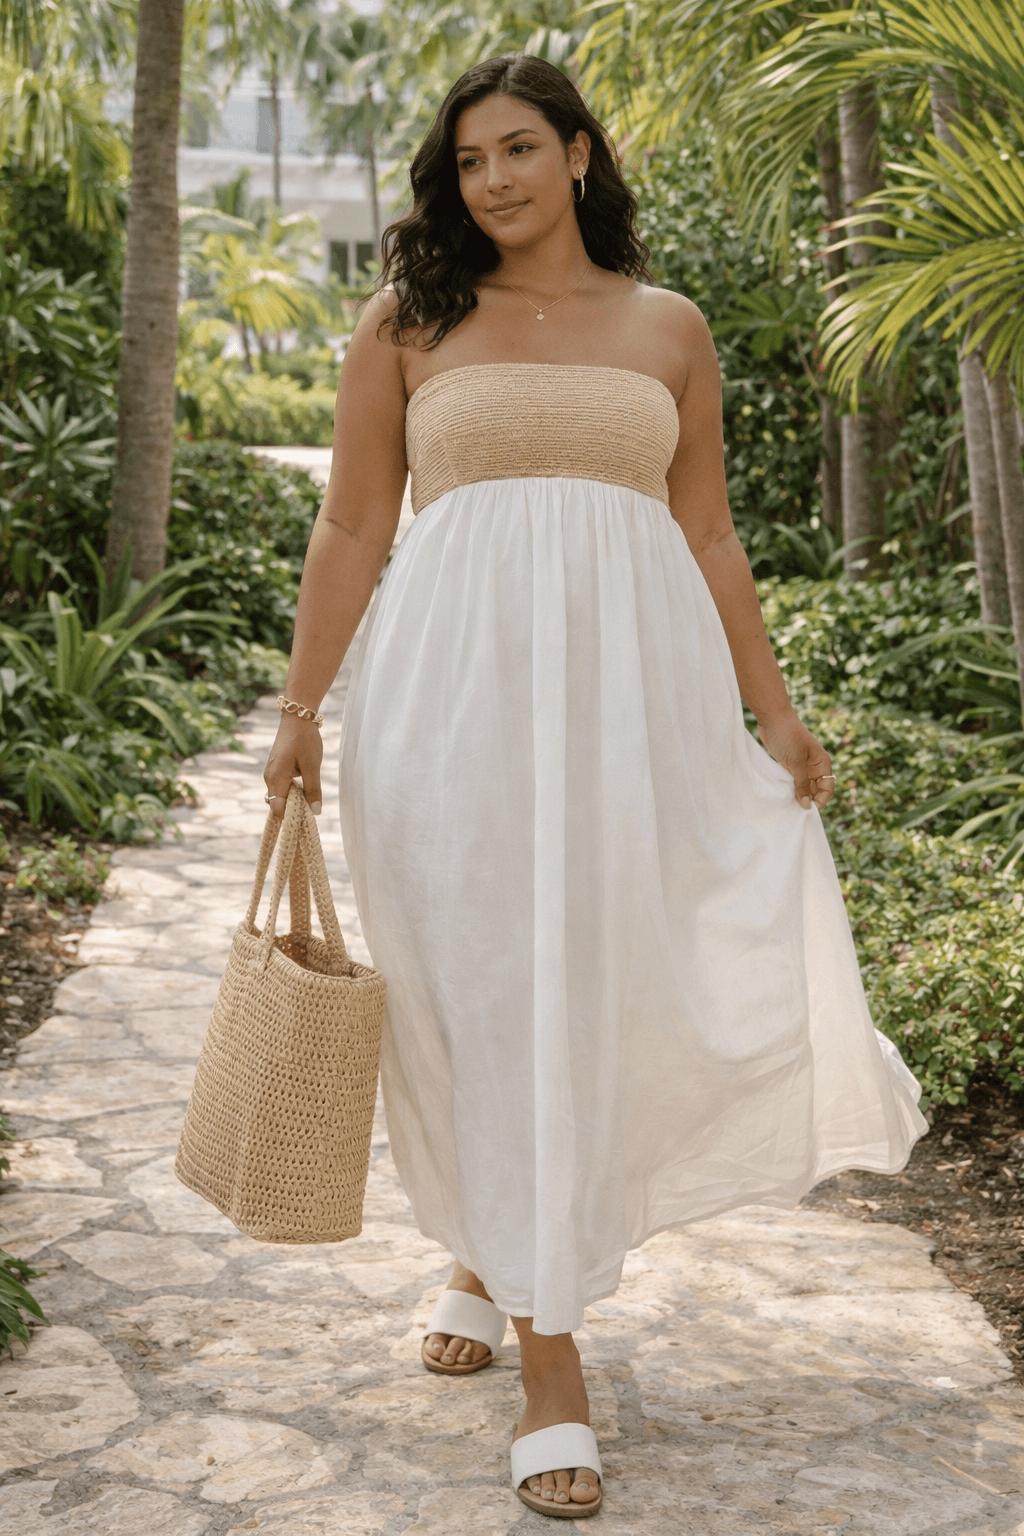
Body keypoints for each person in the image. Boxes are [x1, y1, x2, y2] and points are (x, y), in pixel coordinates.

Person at [263, 53, 927, 1521]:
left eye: (518, 150)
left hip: (633, 724)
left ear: (576, 154)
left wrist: (778, 714)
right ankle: (549, 1359)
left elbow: (710, 541)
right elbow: (356, 526)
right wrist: (302, 709)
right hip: (445, 717)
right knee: (479, 992)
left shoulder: (668, 328)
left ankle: (499, 1258)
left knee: (586, 993)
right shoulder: (410, 322)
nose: (492, 180)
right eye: (469, 161)